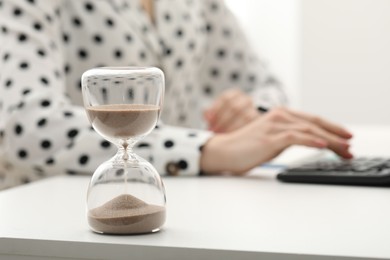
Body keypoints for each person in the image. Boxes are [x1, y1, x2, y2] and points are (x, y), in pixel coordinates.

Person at [0, 0, 353, 190]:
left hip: (188, 193)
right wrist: (208, 150)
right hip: (44, 204)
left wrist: (250, 113)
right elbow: (26, 123)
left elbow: (265, 83)